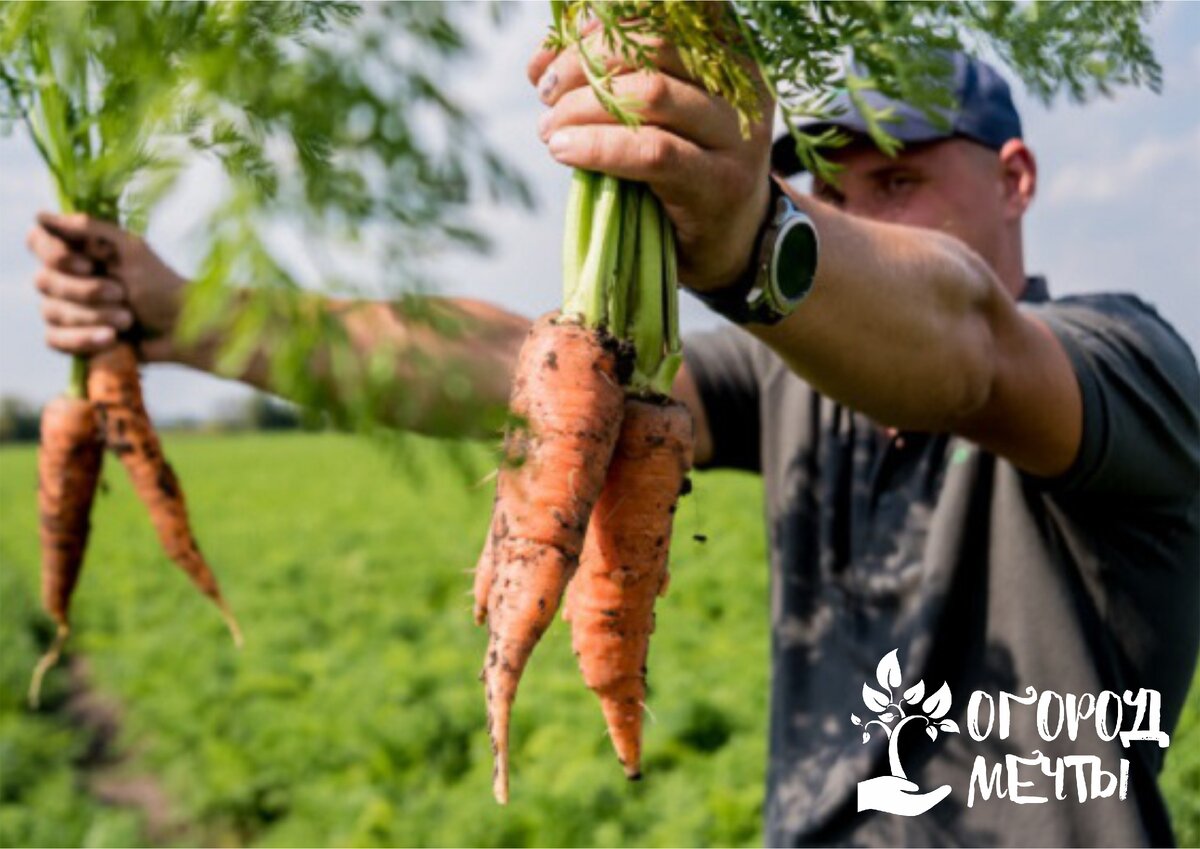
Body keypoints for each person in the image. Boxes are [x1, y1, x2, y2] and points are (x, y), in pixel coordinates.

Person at [27, 38, 1198, 846]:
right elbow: (521, 367)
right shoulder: (798, 386)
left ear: (1017, 177)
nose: (851, 215)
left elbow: (972, 344)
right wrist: (193, 317)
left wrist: (757, 237)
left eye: (896, 180)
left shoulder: (1123, 367)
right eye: (822, 188)